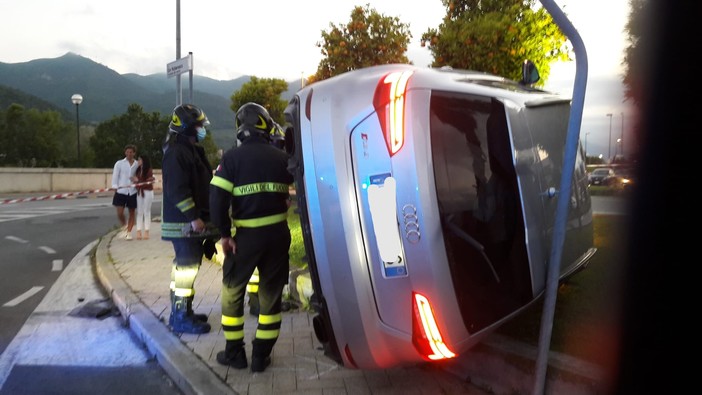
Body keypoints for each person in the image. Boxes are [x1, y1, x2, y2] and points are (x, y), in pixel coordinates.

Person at [210, 102, 294, 372]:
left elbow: (217, 199)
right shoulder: (282, 158)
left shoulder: (232, 159)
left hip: (245, 238)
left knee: (233, 292)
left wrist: (225, 234)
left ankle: (235, 353)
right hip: (278, 236)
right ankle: (261, 356)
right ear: (266, 125)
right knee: (271, 295)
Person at [161, 103, 219, 334]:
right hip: (183, 225)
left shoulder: (191, 150)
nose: (201, 129)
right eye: (197, 126)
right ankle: (181, 317)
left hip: (189, 224)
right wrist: (194, 217)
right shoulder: (177, 153)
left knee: (186, 267)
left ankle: (183, 311)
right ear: (185, 127)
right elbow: (177, 190)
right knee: (186, 268)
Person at [111, 144, 138, 240]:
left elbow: (141, 176)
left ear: (134, 153)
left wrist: (137, 179)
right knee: (120, 213)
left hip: (133, 191)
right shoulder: (119, 163)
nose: (129, 154)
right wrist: (115, 187)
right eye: (127, 152)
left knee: (132, 212)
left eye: (131, 152)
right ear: (125, 153)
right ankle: (124, 226)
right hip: (121, 191)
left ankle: (129, 232)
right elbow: (115, 176)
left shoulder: (137, 164)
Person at [132, 154, 155, 240]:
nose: (138, 161)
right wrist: (135, 182)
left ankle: (146, 231)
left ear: (144, 161)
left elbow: (148, 182)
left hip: (147, 192)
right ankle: (138, 231)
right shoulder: (138, 170)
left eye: (139, 160)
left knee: (147, 211)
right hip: (139, 193)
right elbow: (138, 183)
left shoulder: (149, 170)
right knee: (139, 211)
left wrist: (138, 181)